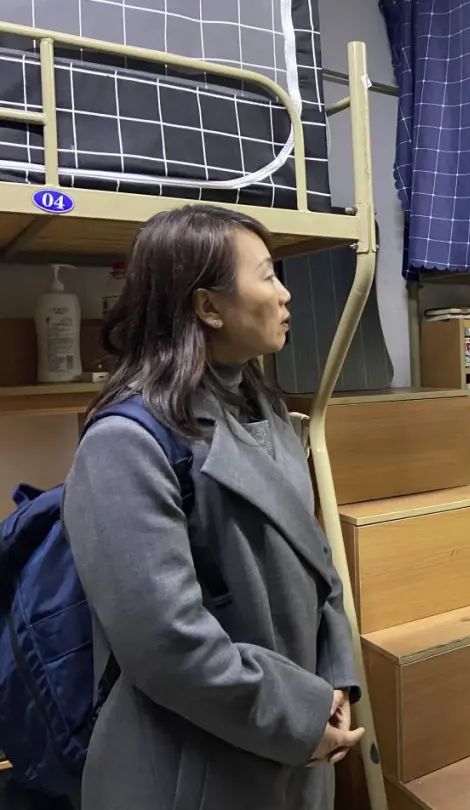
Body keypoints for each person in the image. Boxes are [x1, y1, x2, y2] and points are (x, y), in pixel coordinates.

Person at [63, 205, 365, 810]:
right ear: (208, 306)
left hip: (295, 739)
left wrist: (334, 681)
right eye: (267, 275)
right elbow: (168, 645)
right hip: (191, 767)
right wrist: (299, 716)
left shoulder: (265, 407)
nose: (285, 294)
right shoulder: (125, 442)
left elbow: (319, 567)